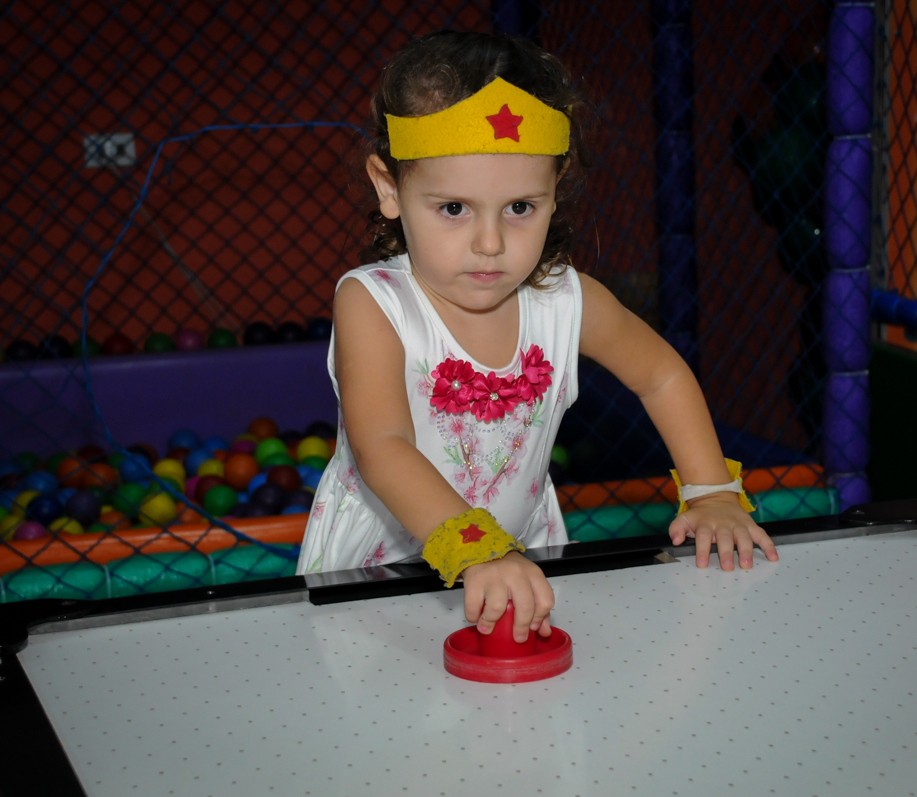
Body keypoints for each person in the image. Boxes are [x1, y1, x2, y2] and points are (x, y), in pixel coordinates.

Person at [297, 30, 778, 645]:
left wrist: (713, 493)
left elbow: (660, 374)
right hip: (374, 570)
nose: (490, 243)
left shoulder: (566, 300)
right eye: (453, 209)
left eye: (521, 207)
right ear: (390, 189)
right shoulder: (374, 304)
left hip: (521, 558)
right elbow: (383, 445)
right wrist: (478, 550)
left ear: (557, 189)